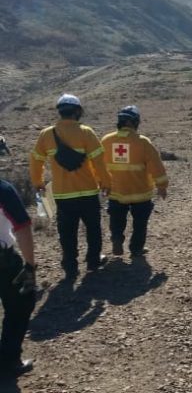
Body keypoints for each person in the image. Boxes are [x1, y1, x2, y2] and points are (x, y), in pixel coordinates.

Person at [29, 93, 111, 277]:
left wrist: (38, 182)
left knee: (67, 232)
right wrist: (106, 183)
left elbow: (36, 161)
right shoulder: (86, 132)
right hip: (88, 192)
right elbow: (99, 163)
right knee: (93, 229)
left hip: (63, 194)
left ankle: (70, 267)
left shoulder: (46, 134)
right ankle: (93, 261)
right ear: (78, 111)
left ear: (59, 111)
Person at [101, 106, 169, 258]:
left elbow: (99, 166)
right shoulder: (143, 142)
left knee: (116, 220)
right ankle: (136, 249)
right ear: (135, 122)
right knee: (140, 223)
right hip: (140, 193)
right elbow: (156, 166)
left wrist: (102, 184)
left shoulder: (106, 140)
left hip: (116, 192)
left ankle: (117, 240)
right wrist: (162, 186)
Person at [0, 179, 37, 377]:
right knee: (20, 305)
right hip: (3, 263)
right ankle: (8, 360)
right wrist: (30, 265)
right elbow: (22, 227)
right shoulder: (3, 190)